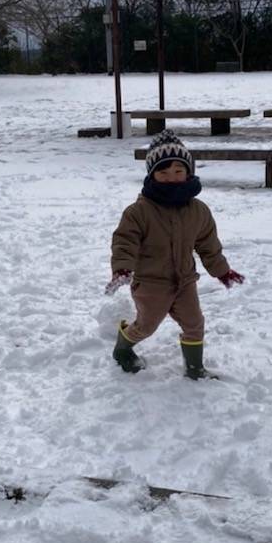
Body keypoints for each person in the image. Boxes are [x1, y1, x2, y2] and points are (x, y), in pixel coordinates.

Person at [106, 129, 244, 379]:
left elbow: (208, 245)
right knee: (146, 326)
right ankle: (122, 348)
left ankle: (195, 369)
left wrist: (222, 271)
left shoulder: (198, 211)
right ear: (152, 174)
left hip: (185, 281)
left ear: (189, 172)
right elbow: (125, 240)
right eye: (163, 172)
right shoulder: (139, 211)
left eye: (178, 171)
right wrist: (123, 268)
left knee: (195, 324)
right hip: (151, 282)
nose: (172, 178)